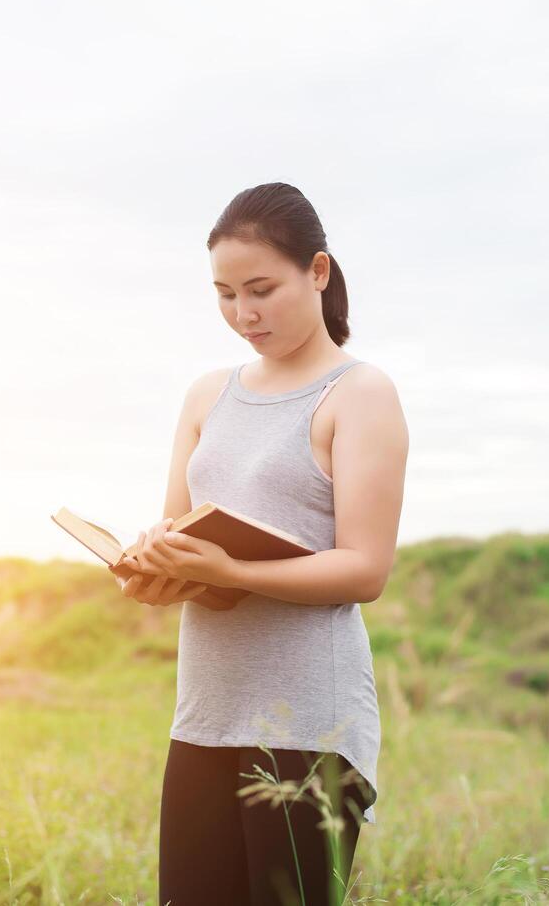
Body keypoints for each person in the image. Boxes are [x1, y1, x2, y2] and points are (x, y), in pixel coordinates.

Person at [117, 182, 409, 905]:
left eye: (260, 289)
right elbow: (181, 534)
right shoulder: (206, 395)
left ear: (317, 271)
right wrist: (158, 568)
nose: (242, 315)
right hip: (207, 713)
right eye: (223, 295)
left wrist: (232, 568)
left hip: (309, 719)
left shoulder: (358, 393)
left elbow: (364, 569)